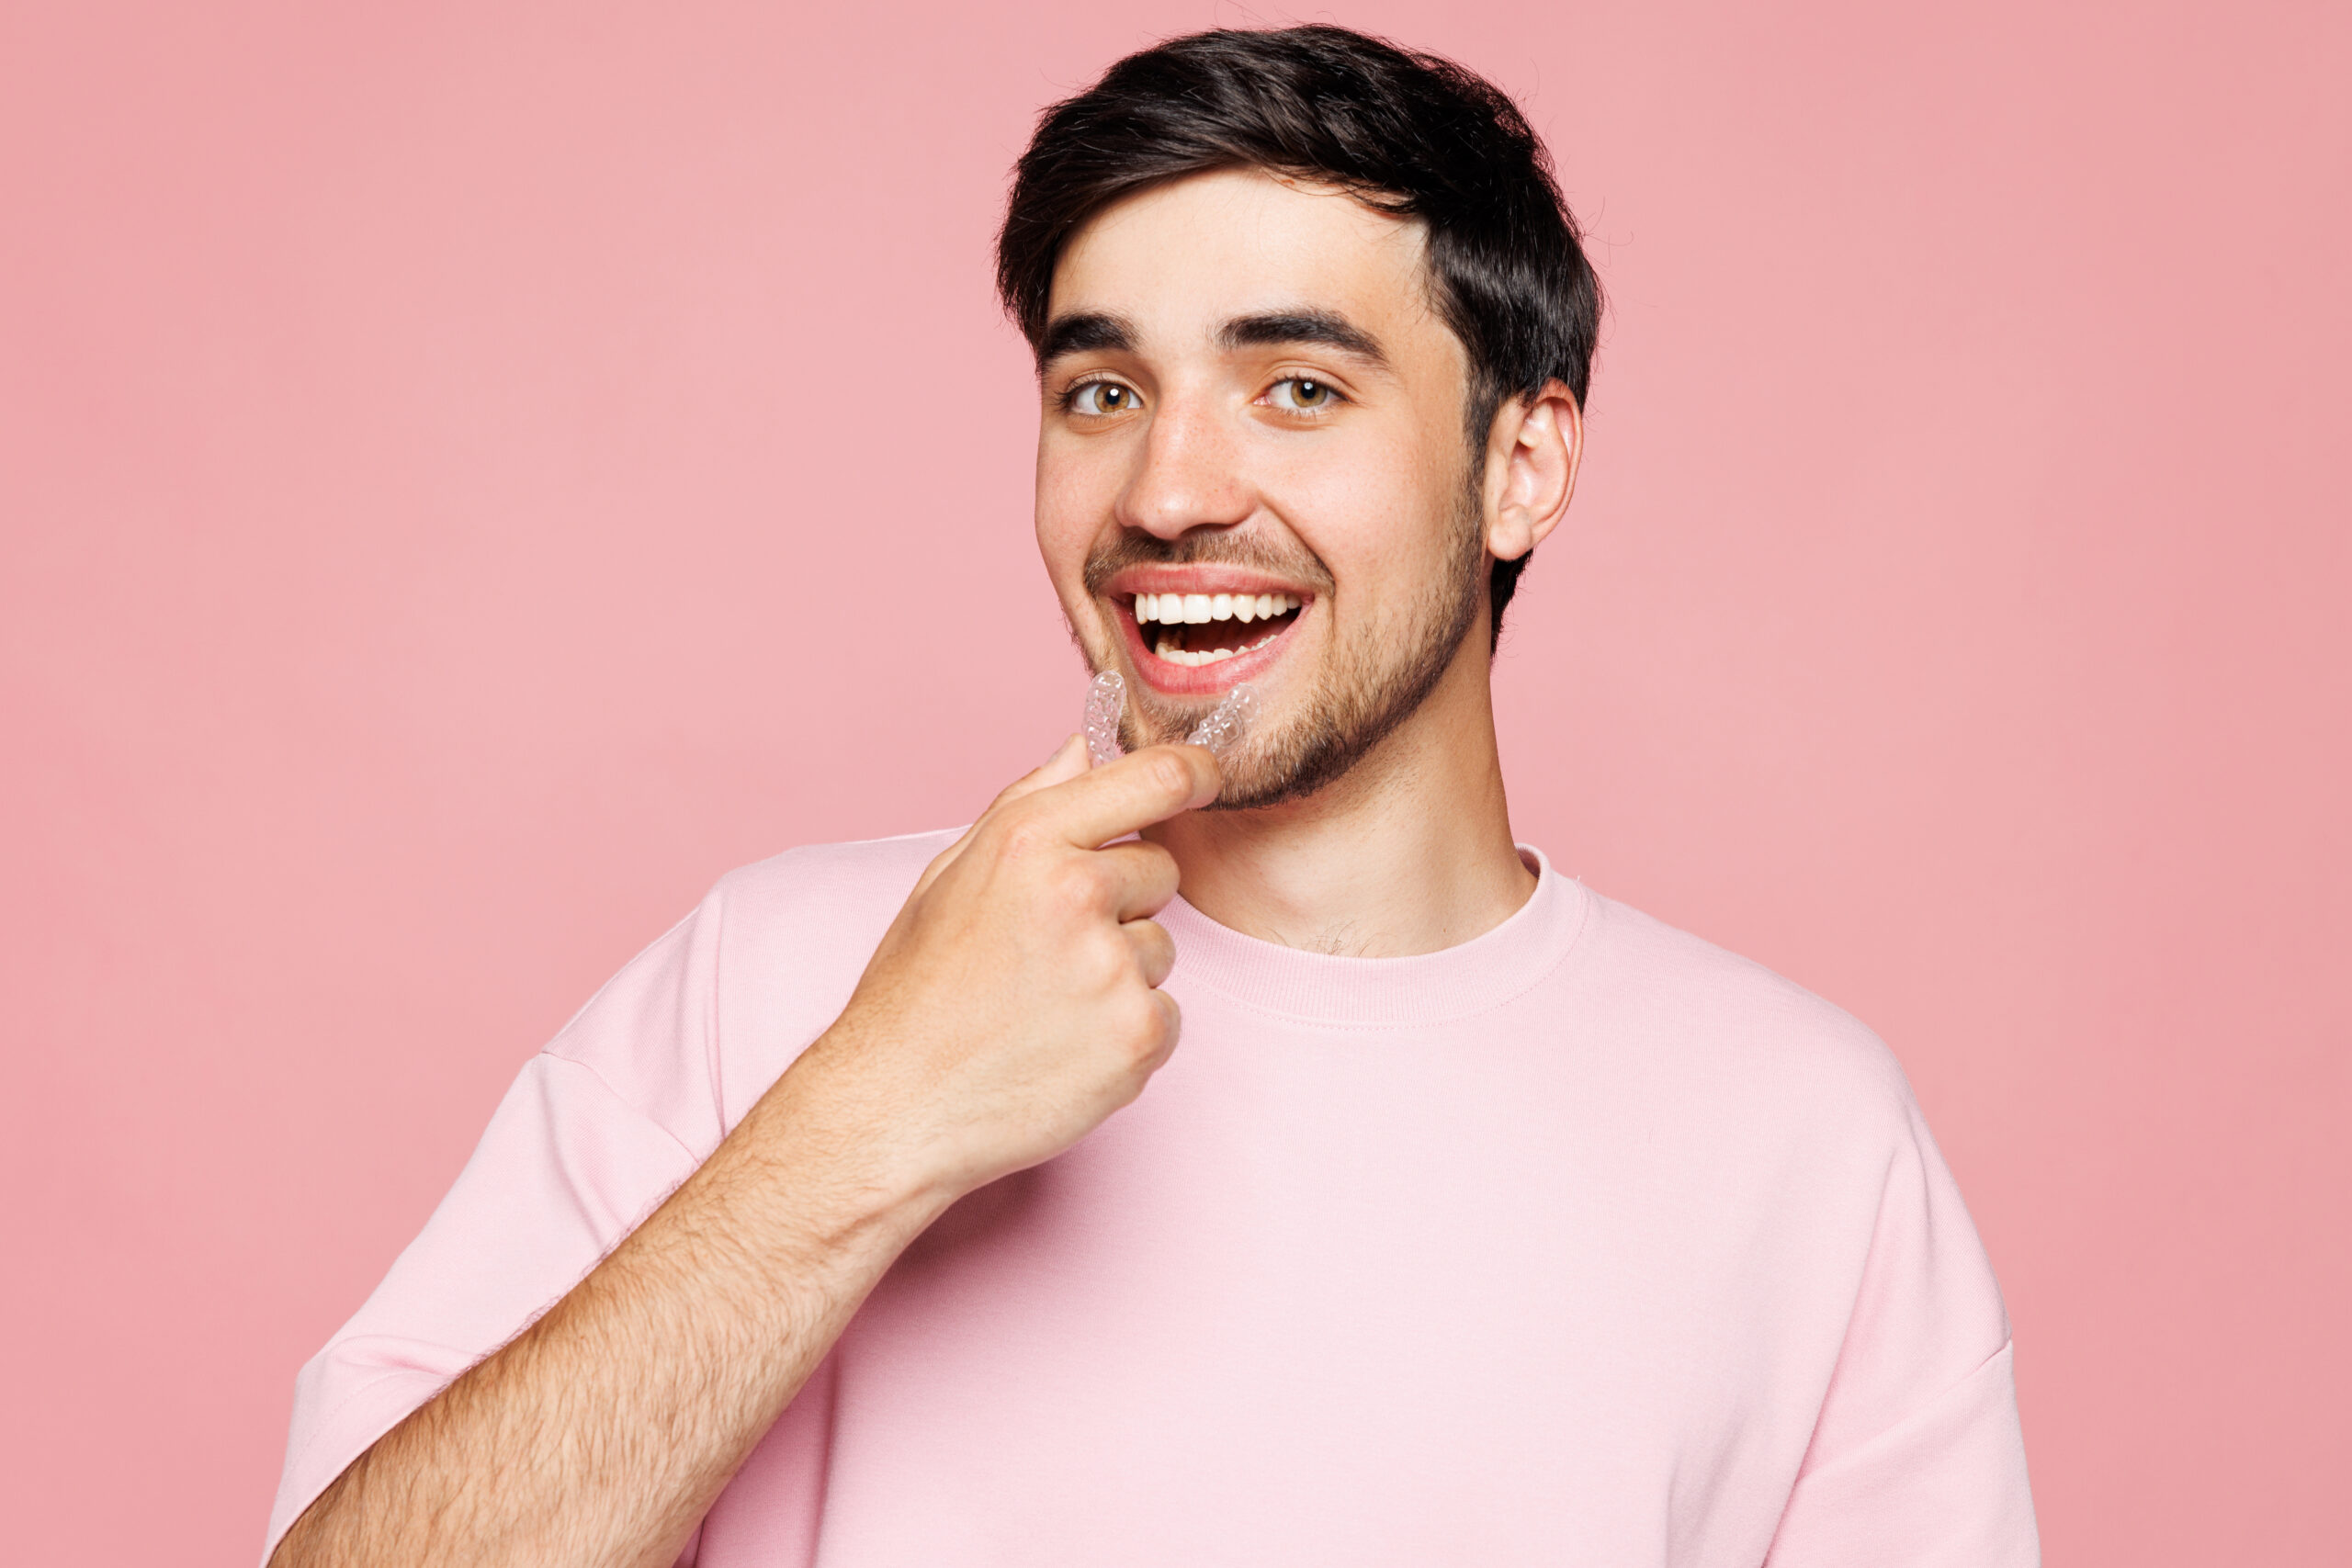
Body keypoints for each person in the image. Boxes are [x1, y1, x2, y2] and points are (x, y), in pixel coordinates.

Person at [265, 24, 2037, 1567]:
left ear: (1524, 461)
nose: (1170, 488)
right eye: (1103, 388)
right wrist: (864, 1125)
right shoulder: (775, 981)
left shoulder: (1805, 1141)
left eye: (1297, 387)